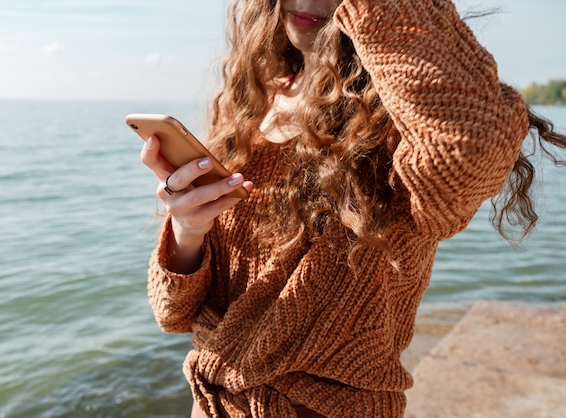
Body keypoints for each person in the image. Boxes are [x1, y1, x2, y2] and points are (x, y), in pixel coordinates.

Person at [140, 0, 566, 416]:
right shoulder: (250, 103)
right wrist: (187, 232)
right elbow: (174, 313)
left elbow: (471, 149)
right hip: (211, 403)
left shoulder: (402, 124)